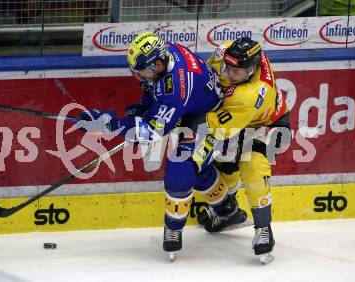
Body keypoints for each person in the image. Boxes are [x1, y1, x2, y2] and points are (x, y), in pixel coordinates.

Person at [78, 31, 247, 260]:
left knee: (181, 170)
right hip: (193, 109)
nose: (141, 77)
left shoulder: (177, 87)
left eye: (144, 71)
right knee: (197, 168)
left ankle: (174, 229)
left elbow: (152, 130)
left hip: (211, 119)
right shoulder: (165, 55)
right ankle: (226, 211)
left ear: (158, 63)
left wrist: (110, 125)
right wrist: (141, 110)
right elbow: (152, 92)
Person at [198, 37, 290, 264]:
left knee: (252, 167)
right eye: (228, 67)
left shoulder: (251, 95)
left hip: (268, 126)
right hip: (241, 122)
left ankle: (263, 229)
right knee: (225, 166)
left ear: (251, 70)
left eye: (236, 72)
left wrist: (183, 116)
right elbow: (210, 72)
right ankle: (228, 212)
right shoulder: (232, 52)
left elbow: (217, 126)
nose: (229, 74)